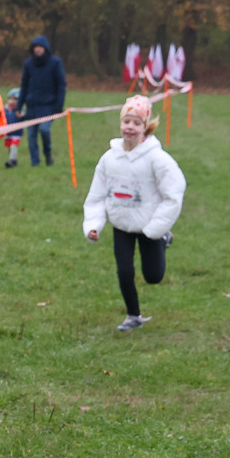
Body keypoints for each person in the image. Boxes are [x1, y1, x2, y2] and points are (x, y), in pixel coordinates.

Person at [82, 95, 185, 331]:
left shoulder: (157, 159)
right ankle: (133, 315)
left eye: (136, 123)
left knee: (153, 276)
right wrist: (93, 226)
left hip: (149, 227)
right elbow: (97, 196)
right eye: (126, 121)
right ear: (120, 124)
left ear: (145, 126)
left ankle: (164, 239)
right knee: (124, 271)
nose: (130, 127)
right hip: (122, 225)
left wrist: (157, 228)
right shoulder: (109, 159)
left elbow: (174, 192)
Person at [17, 34, 66, 166]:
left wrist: (58, 106)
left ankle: (48, 153)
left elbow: (61, 85)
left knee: (44, 130)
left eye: (40, 47)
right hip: (32, 105)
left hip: (48, 106)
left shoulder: (55, 62)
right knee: (31, 135)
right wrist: (19, 106)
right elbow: (24, 85)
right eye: (35, 47)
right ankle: (35, 162)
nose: (37, 49)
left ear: (45, 48)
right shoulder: (28, 64)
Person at [3, 88, 23, 168]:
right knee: (9, 146)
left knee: (13, 146)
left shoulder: (20, 110)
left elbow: (24, 117)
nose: (12, 101)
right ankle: (13, 160)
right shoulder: (5, 109)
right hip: (7, 133)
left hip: (16, 133)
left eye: (14, 99)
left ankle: (12, 160)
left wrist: (22, 115)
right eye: (10, 98)